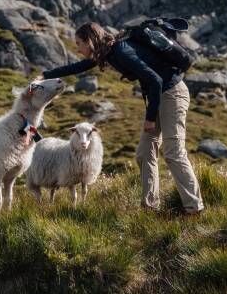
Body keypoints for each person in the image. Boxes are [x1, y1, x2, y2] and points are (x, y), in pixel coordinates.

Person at [37, 21, 204, 215]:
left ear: (90, 41)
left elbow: (156, 81)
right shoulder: (108, 52)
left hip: (172, 94)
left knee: (173, 152)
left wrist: (150, 118)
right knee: (144, 153)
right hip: (158, 97)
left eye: (79, 44)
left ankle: (193, 208)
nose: (79, 50)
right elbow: (79, 67)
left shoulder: (121, 51)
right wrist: (45, 75)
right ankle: (150, 207)